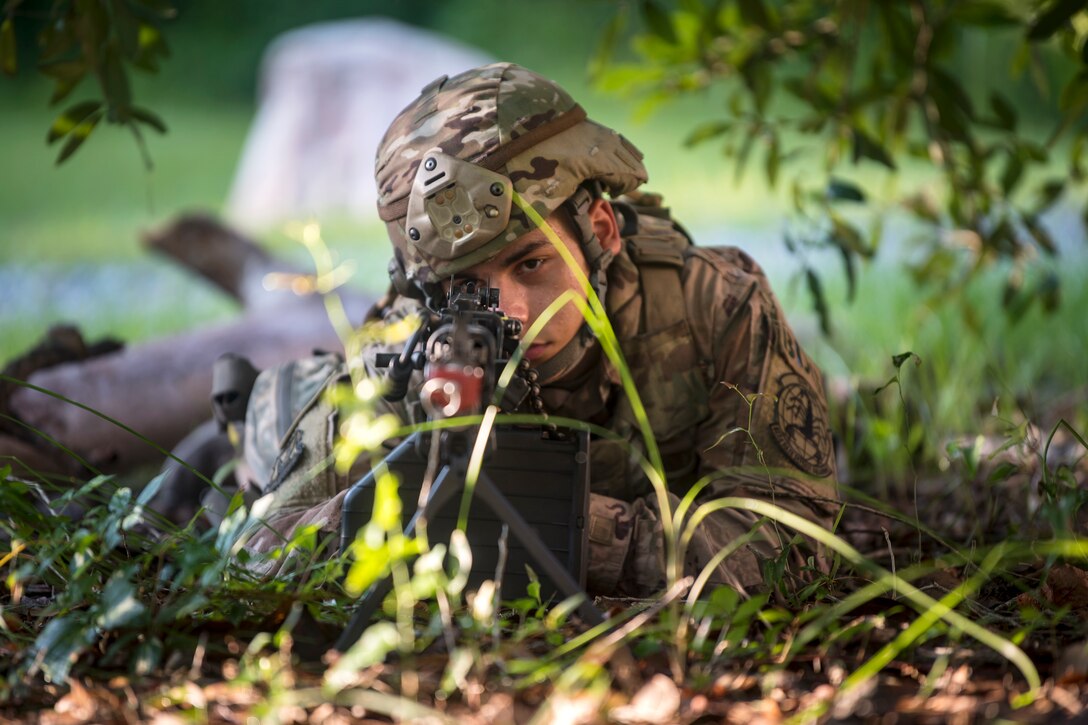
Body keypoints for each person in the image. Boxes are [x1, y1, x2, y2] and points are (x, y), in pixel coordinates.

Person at [240, 62, 839, 596]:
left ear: (600, 231)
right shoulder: (404, 360)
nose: (514, 313)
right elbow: (255, 556)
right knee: (271, 414)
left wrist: (556, 524)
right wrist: (377, 514)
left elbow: (796, 549)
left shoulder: (711, 305)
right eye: (463, 288)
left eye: (532, 263)